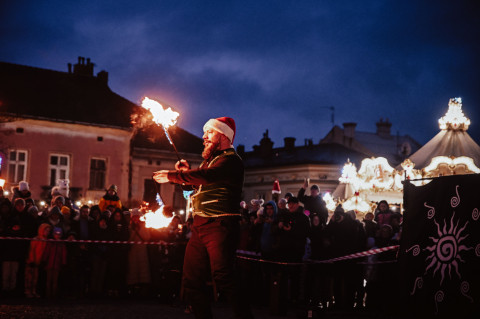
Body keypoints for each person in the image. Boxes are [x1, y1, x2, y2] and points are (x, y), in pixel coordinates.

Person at [153, 116, 253, 319]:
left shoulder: (231, 161)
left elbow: (206, 177)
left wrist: (173, 175)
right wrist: (185, 173)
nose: (204, 137)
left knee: (223, 276)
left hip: (220, 226)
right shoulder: (211, 161)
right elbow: (194, 186)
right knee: (191, 278)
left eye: (210, 132)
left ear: (224, 136)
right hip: (200, 226)